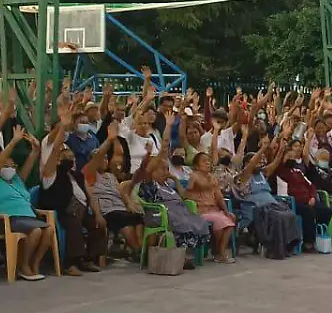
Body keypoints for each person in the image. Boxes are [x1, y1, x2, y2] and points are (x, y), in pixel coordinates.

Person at [38, 107, 108, 275]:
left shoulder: (77, 175)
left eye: (70, 155)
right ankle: (72, 263)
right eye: (65, 156)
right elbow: (55, 149)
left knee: (97, 225)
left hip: (81, 209)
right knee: (74, 224)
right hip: (63, 210)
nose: (69, 157)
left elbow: (90, 195)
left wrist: (97, 214)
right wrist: (63, 126)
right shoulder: (52, 174)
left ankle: (88, 259)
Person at [0, 126, 54, 281]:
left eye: (12, 166)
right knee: (36, 231)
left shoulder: (17, 180)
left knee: (48, 230)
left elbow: (30, 162)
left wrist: (35, 150)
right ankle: (23, 266)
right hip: (9, 218)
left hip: (27, 216)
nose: (9, 169)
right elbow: (2, 158)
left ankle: (34, 263)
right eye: (5, 166)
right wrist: (14, 142)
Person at [138, 154, 212, 269]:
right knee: (182, 222)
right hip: (159, 213)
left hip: (178, 211)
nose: (166, 172)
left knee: (199, 220)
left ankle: (185, 254)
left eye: (168, 169)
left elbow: (184, 196)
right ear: (153, 171)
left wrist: (176, 180)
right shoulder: (149, 185)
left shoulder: (169, 185)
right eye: (163, 169)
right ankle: (181, 257)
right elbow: (147, 172)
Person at [83, 123, 145, 258]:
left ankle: (140, 249)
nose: (105, 160)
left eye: (106, 158)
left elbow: (121, 192)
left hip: (120, 207)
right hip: (107, 210)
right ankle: (138, 251)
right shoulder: (90, 174)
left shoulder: (111, 176)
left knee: (138, 218)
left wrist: (129, 203)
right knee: (123, 219)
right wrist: (110, 140)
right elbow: (98, 155)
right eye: (102, 158)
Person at [186, 151, 237, 263]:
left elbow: (219, 197)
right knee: (221, 222)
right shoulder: (194, 176)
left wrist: (226, 210)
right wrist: (200, 187)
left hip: (214, 210)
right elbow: (188, 192)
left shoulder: (213, 178)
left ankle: (219, 252)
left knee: (230, 218)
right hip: (201, 210)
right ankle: (220, 253)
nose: (207, 163)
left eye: (208, 161)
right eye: (204, 161)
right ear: (196, 165)